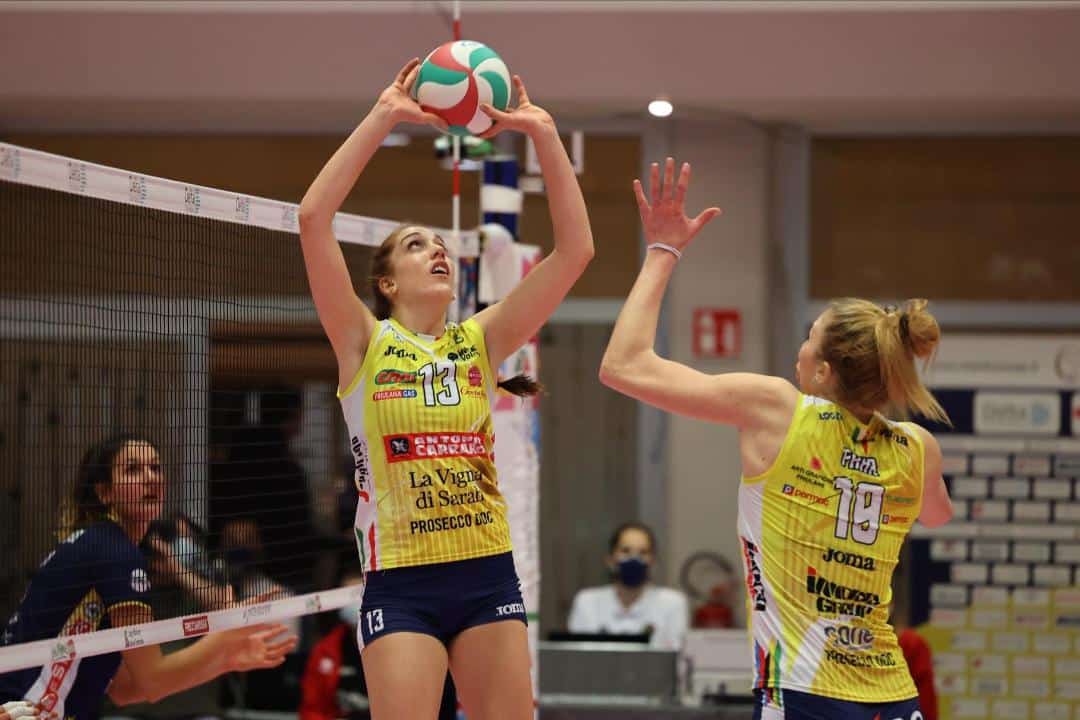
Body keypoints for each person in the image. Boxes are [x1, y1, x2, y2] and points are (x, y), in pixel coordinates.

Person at [599, 158, 953, 720]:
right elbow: (936, 515)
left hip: (803, 692)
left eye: (809, 339)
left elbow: (623, 366)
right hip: (891, 695)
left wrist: (663, 250)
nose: (800, 349)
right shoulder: (916, 447)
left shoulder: (778, 410)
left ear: (824, 372)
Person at [297, 59, 593, 720]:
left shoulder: (479, 341)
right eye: (415, 245)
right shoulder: (363, 342)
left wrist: (543, 132)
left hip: (486, 572)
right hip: (401, 581)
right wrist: (384, 116)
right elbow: (313, 218)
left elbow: (576, 252)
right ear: (387, 283)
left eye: (440, 244)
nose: (436, 250)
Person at [0, 433, 298, 720]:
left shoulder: (100, 545)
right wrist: (223, 636)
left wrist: (225, 660)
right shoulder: (113, 551)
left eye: (155, 467)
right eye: (133, 469)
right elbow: (153, 679)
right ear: (105, 493)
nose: (150, 477)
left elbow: (126, 688)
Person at [299, 566, 458, 720]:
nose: (357, 605)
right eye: (350, 598)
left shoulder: (411, 643)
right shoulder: (326, 650)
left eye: (360, 596)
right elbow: (312, 710)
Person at [568, 522, 689, 650]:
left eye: (643, 552)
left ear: (653, 561)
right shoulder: (587, 601)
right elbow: (577, 655)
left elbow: (676, 654)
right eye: (626, 551)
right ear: (610, 560)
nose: (634, 559)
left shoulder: (672, 603)